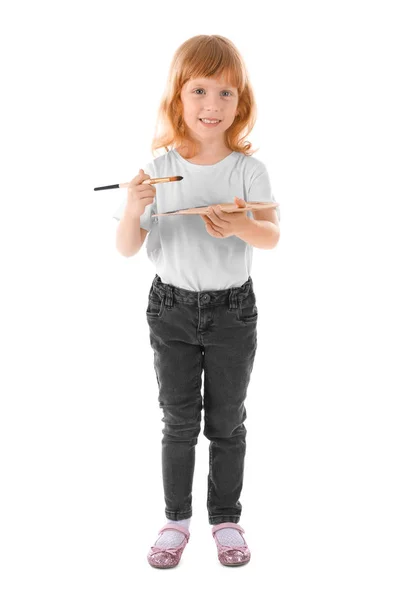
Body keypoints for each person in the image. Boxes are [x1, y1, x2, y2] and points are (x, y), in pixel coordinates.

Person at [113, 34, 280, 568]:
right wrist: (132, 205)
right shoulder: (159, 166)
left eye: (227, 94)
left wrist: (241, 223)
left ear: (242, 102)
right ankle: (175, 521)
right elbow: (127, 248)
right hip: (172, 310)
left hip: (234, 311)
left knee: (227, 422)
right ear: (178, 98)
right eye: (200, 91)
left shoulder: (248, 170)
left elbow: (272, 236)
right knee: (178, 420)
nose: (212, 105)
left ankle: (226, 520)